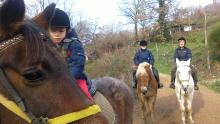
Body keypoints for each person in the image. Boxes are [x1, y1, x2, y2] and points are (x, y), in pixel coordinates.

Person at [48, 8, 96, 100]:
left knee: (84, 97)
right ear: (48, 31)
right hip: (53, 80)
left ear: (66, 30)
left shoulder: (74, 44)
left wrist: (66, 80)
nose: (57, 34)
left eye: (61, 31)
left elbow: (78, 64)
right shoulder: (46, 46)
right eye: (54, 31)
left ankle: (92, 110)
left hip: (75, 78)